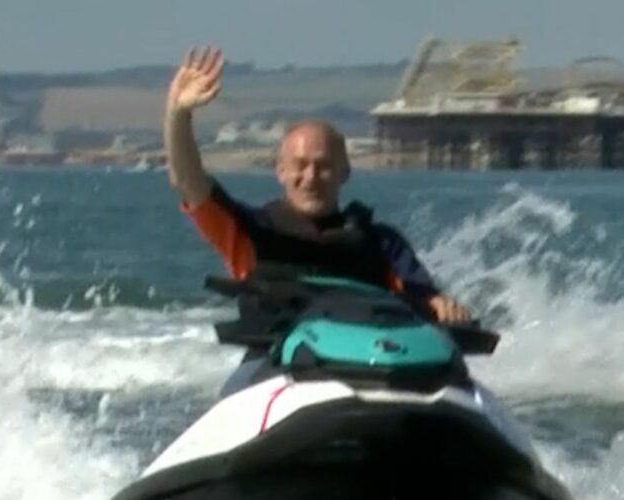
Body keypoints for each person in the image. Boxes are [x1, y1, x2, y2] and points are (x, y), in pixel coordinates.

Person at [164, 46, 470, 323]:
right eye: (299, 166)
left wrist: (443, 307)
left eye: (323, 167)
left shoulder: (380, 242)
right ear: (280, 172)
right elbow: (188, 182)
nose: (310, 177)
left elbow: (427, 299)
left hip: (368, 364)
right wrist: (179, 114)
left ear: (344, 171)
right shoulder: (251, 232)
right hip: (277, 365)